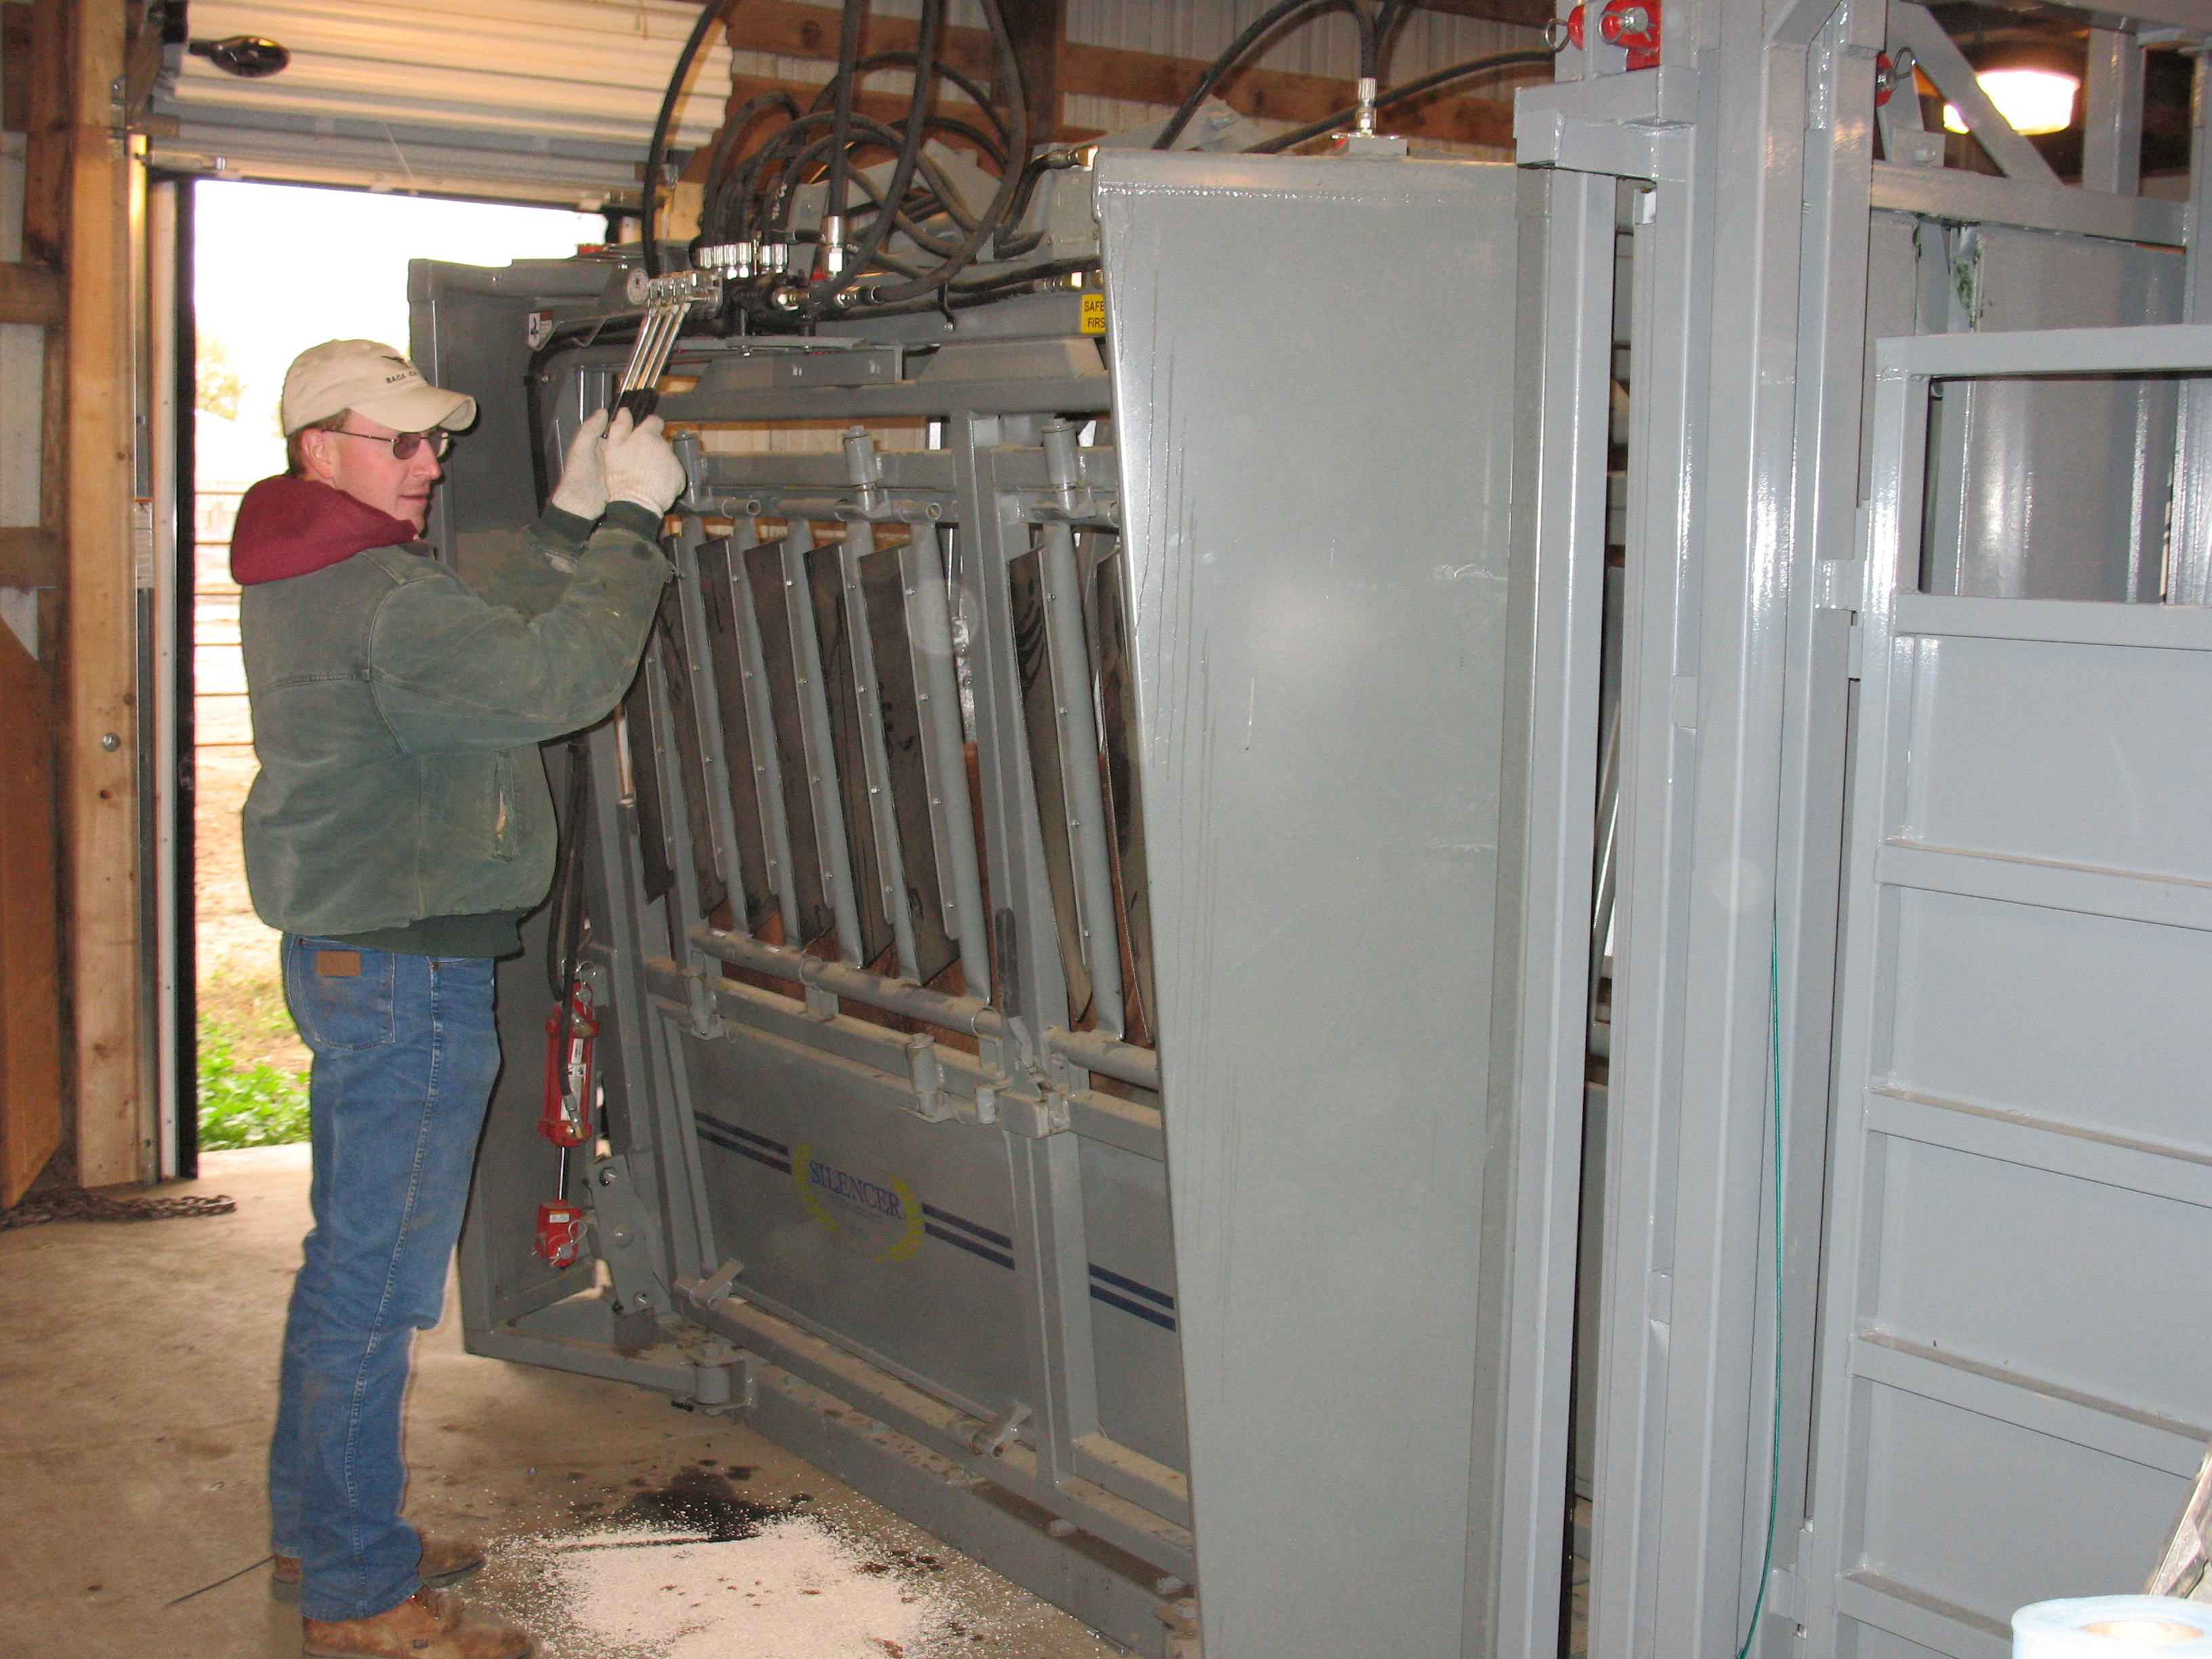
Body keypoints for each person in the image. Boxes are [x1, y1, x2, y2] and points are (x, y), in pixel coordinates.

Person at [232, 337, 687, 1659]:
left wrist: (567, 515)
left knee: (345, 1263)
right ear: (322, 447)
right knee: (378, 1283)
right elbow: (559, 679)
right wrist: (638, 525)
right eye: (403, 443)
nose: (433, 463)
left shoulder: (316, 564)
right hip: (407, 972)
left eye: (436, 440)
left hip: (354, 949)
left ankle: (320, 1528)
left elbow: (487, 647)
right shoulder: (377, 595)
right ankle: (360, 1596)